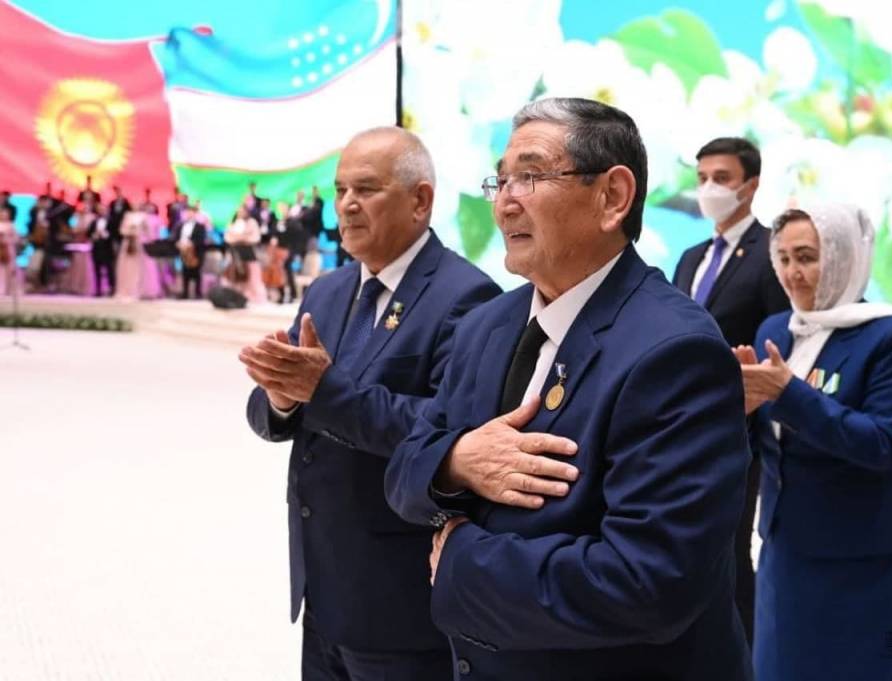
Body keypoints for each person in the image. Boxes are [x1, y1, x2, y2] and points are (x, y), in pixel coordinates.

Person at [385, 98, 752, 681]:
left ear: (612, 197)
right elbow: (405, 472)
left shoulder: (676, 352)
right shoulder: (486, 326)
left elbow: (650, 581)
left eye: (530, 176)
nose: (505, 202)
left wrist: (461, 560)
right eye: (500, 180)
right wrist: (456, 461)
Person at [241, 126, 500, 681]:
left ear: (420, 200)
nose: (347, 205)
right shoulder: (327, 291)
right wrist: (281, 399)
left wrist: (321, 391)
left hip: (399, 599)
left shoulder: (469, 297)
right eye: (340, 190)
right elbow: (280, 408)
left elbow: (445, 433)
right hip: (322, 587)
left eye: (366, 189)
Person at [737, 204, 892, 681]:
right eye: (783, 258)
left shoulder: (889, 334)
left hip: (865, 552)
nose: (792, 273)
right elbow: (767, 442)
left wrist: (788, 393)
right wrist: (741, 411)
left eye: (806, 257)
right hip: (787, 546)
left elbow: (881, 444)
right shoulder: (776, 330)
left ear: (844, 256)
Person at [671, 136, 789, 643]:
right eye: (702, 179)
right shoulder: (691, 256)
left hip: (741, 427)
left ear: (750, 185)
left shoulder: (770, 254)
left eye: (721, 178)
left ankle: (749, 653)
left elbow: (781, 338)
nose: (709, 189)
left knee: (733, 550)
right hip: (680, 423)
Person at [223, 204, 266, 303]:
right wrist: (240, 237)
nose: (241, 213)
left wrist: (242, 238)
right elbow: (228, 237)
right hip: (235, 253)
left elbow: (255, 238)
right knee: (234, 277)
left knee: (253, 277)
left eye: (243, 211)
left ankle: (255, 297)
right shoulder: (233, 222)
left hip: (248, 253)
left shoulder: (252, 222)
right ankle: (236, 297)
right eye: (239, 211)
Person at [176, 206, 207, 300]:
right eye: (187, 212)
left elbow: (201, 239)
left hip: (196, 252)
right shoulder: (181, 225)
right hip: (183, 251)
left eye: (191, 212)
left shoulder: (200, 226)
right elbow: (177, 237)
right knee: (185, 272)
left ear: (195, 214)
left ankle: (198, 293)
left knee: (196, 273)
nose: (189, 214)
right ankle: (185, 292)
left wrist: (191, 244)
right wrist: (178, 243)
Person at [88, 203, 117, 296]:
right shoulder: (94, 221)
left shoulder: (112, 221)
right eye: (100, 210)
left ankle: (111, 289)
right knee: (96, 270)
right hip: (96, 249)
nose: (102, 211)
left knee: (109, 270)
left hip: (107, 249)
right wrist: (95, 235)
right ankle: (98, 290)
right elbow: (89, 233)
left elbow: (115, 234)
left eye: (103, 209)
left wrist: (104, 234)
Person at [0, 207, 18, 295]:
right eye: (2, 214)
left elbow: (16, 238)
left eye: (6, 214)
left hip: (9, 249)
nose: (4, 216)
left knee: (10, 270)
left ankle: (9, 289)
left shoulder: (11, 225)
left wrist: (7, 240)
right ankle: (1, 288)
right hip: (0, 248)